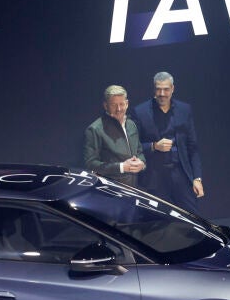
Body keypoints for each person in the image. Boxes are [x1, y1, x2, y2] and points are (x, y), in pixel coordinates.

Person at [131, 71, 203, 214]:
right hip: (155, 177)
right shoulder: (140, 112)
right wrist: (154, 146)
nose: (162, 93)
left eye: (166, 89)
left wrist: (197, 178)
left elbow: (192, 147)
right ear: (154, 89)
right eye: (158, 89)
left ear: (172, 89)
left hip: (181, 174)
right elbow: (133, 147)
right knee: (159, 219)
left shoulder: (184, 110)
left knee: (192, 217)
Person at [84, 85, 145, 187]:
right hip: (110, 189)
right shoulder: (94, 129)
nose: (119, 109)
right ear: (105, 105)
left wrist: (142, 163)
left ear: (127, 104)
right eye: (113, 105)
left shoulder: (131, 125)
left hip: (133, 188)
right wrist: (121, 167)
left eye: (121, 104)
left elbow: (139, 151)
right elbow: (90, 164)